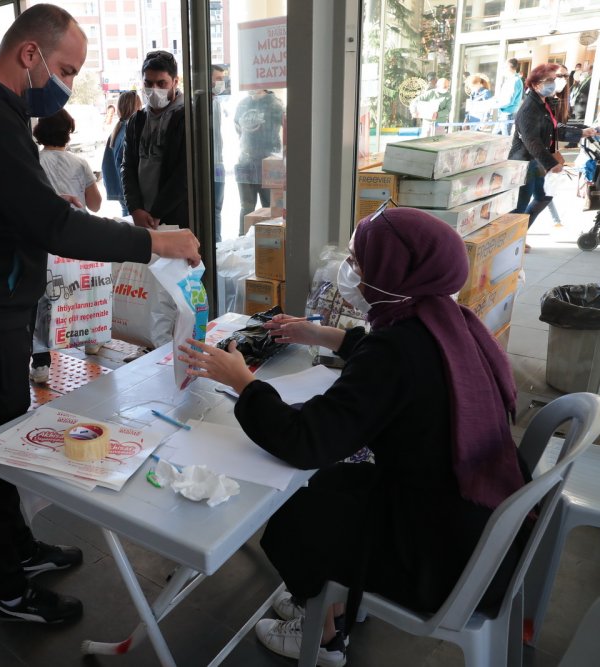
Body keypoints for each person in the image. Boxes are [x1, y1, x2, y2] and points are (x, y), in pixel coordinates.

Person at [0, 3, 200, 625]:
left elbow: (8, 209)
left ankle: (21, 550)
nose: (67, 82)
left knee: (5, 442)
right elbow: (49, 228)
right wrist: (153, 243)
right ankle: (10, 592)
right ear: (29, 54)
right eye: (66, 68)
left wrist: (46, 202)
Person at [177, 207, 530, 667]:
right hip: (476, 522)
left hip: (438, 559)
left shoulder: (397, 349)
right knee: (330, 486)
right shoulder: (451, 320)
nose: (352, 272)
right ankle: (331, 598)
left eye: (359, 262)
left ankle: (322, 633)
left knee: (293, 512)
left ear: (393, 273)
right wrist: (323, 335)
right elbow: (399, 361)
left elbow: (306, 442)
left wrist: (242, 381)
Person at [30, 108, 103, 382]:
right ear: (68, 133)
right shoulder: (80, 163)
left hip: (45, 240)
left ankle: (41, 365)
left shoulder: (34, 162)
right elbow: (95, 205)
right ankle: (91, 341)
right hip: (78, 238)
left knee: (44, 301)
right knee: (84, 290)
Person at [509, 63, 596, 248]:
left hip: (537, 161)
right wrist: (551, 163)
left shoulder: (544, 103)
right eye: (550, 80)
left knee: (544, 197)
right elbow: (531, 141)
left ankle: (517, 237)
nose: (556, 82)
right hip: (525, 163)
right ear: (534, 84)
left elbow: (555, 129)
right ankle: (510, 243)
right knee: (519, 206)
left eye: (558, 78)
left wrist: (582, 132)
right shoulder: (529, 109)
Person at [121, 50, 189, 230]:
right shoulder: (137, 120)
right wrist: (135, 208)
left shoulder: (188, 118)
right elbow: (127, 166)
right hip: (142, 214)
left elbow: (185, 173)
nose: (155, 90)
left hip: (176, 215)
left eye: (162, 83)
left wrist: (158, 212)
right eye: (148, 83)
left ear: (175, 82)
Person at [234, 88, 284, 228]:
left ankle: (270, 244)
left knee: (270, 208)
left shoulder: (275, 105)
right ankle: (243, 240)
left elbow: (286, 128)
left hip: (268, 164)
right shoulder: (243, 104)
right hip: (245, 163)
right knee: (246, 207)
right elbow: (238, 128)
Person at [100, 90, 140, 217]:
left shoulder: (119, 129)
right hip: (127, 189)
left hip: (119, 188)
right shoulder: (129, 131)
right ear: (136, 107)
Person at [211, 65, 227, 243]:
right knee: (213, 209)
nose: (221, 82)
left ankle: (217, 244)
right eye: (218, 78)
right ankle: (215, 244)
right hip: (210, 164)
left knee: (217, 208)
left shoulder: (216, 102)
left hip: (218, 164)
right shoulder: (200, 104)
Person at [495, 59, 523, 135]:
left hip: (507, 114)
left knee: (504, 140)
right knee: (495, 137)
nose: (502, 69)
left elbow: (508, 101)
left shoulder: (514, 81)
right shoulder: (511, 80)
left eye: (504, 67)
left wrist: (492, 105)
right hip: (504, 114)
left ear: (508, 67)